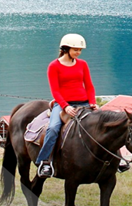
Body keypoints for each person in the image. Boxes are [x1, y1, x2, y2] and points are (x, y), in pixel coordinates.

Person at [36, 33, 98, 178]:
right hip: (63, 104)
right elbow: (55, 91)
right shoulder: (53, 66)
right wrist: (65, 106)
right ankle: (45, 162)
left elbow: (89, 86)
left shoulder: (83, 64)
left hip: (84, 103)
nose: (78, 52)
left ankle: (117, 160)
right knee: (52, 129)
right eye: (75, 49)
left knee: (104, 124)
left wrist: (93, 103)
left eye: (80, 50)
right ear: (65, 49)